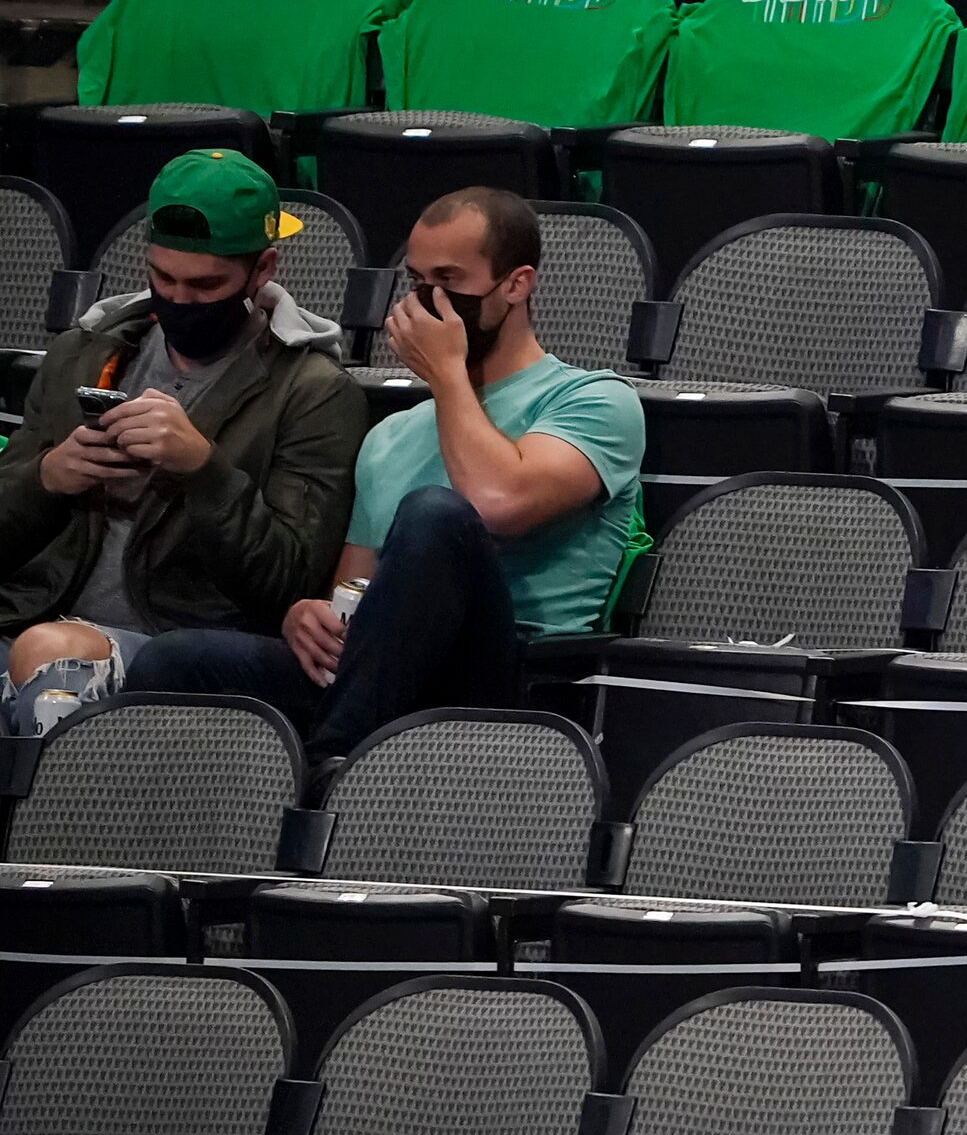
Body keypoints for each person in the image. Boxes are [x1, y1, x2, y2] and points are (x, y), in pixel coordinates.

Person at [130, 187, 646, 756]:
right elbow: (354, 597)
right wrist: (306, 617)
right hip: (379, 674)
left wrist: (447, 373)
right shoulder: (391, 436)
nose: (427, 301)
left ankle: (333, 766)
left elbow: (499, 502)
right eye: (417, 281)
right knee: (174, 659)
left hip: (505, 679)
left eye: (449, 281)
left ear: (517, 285)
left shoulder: (595, 400)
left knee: (435, 513)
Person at [0, 148, 362, 734]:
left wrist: (205, 471)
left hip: (177, 641)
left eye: (205, 283)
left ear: (264, 268)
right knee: (41, 646)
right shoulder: (82, 354)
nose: (180, 299)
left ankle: (46, 825)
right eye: (162, 277)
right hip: (32, 614)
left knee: (51, 656)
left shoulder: (315, 393)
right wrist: (48, 477)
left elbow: (287, 583)